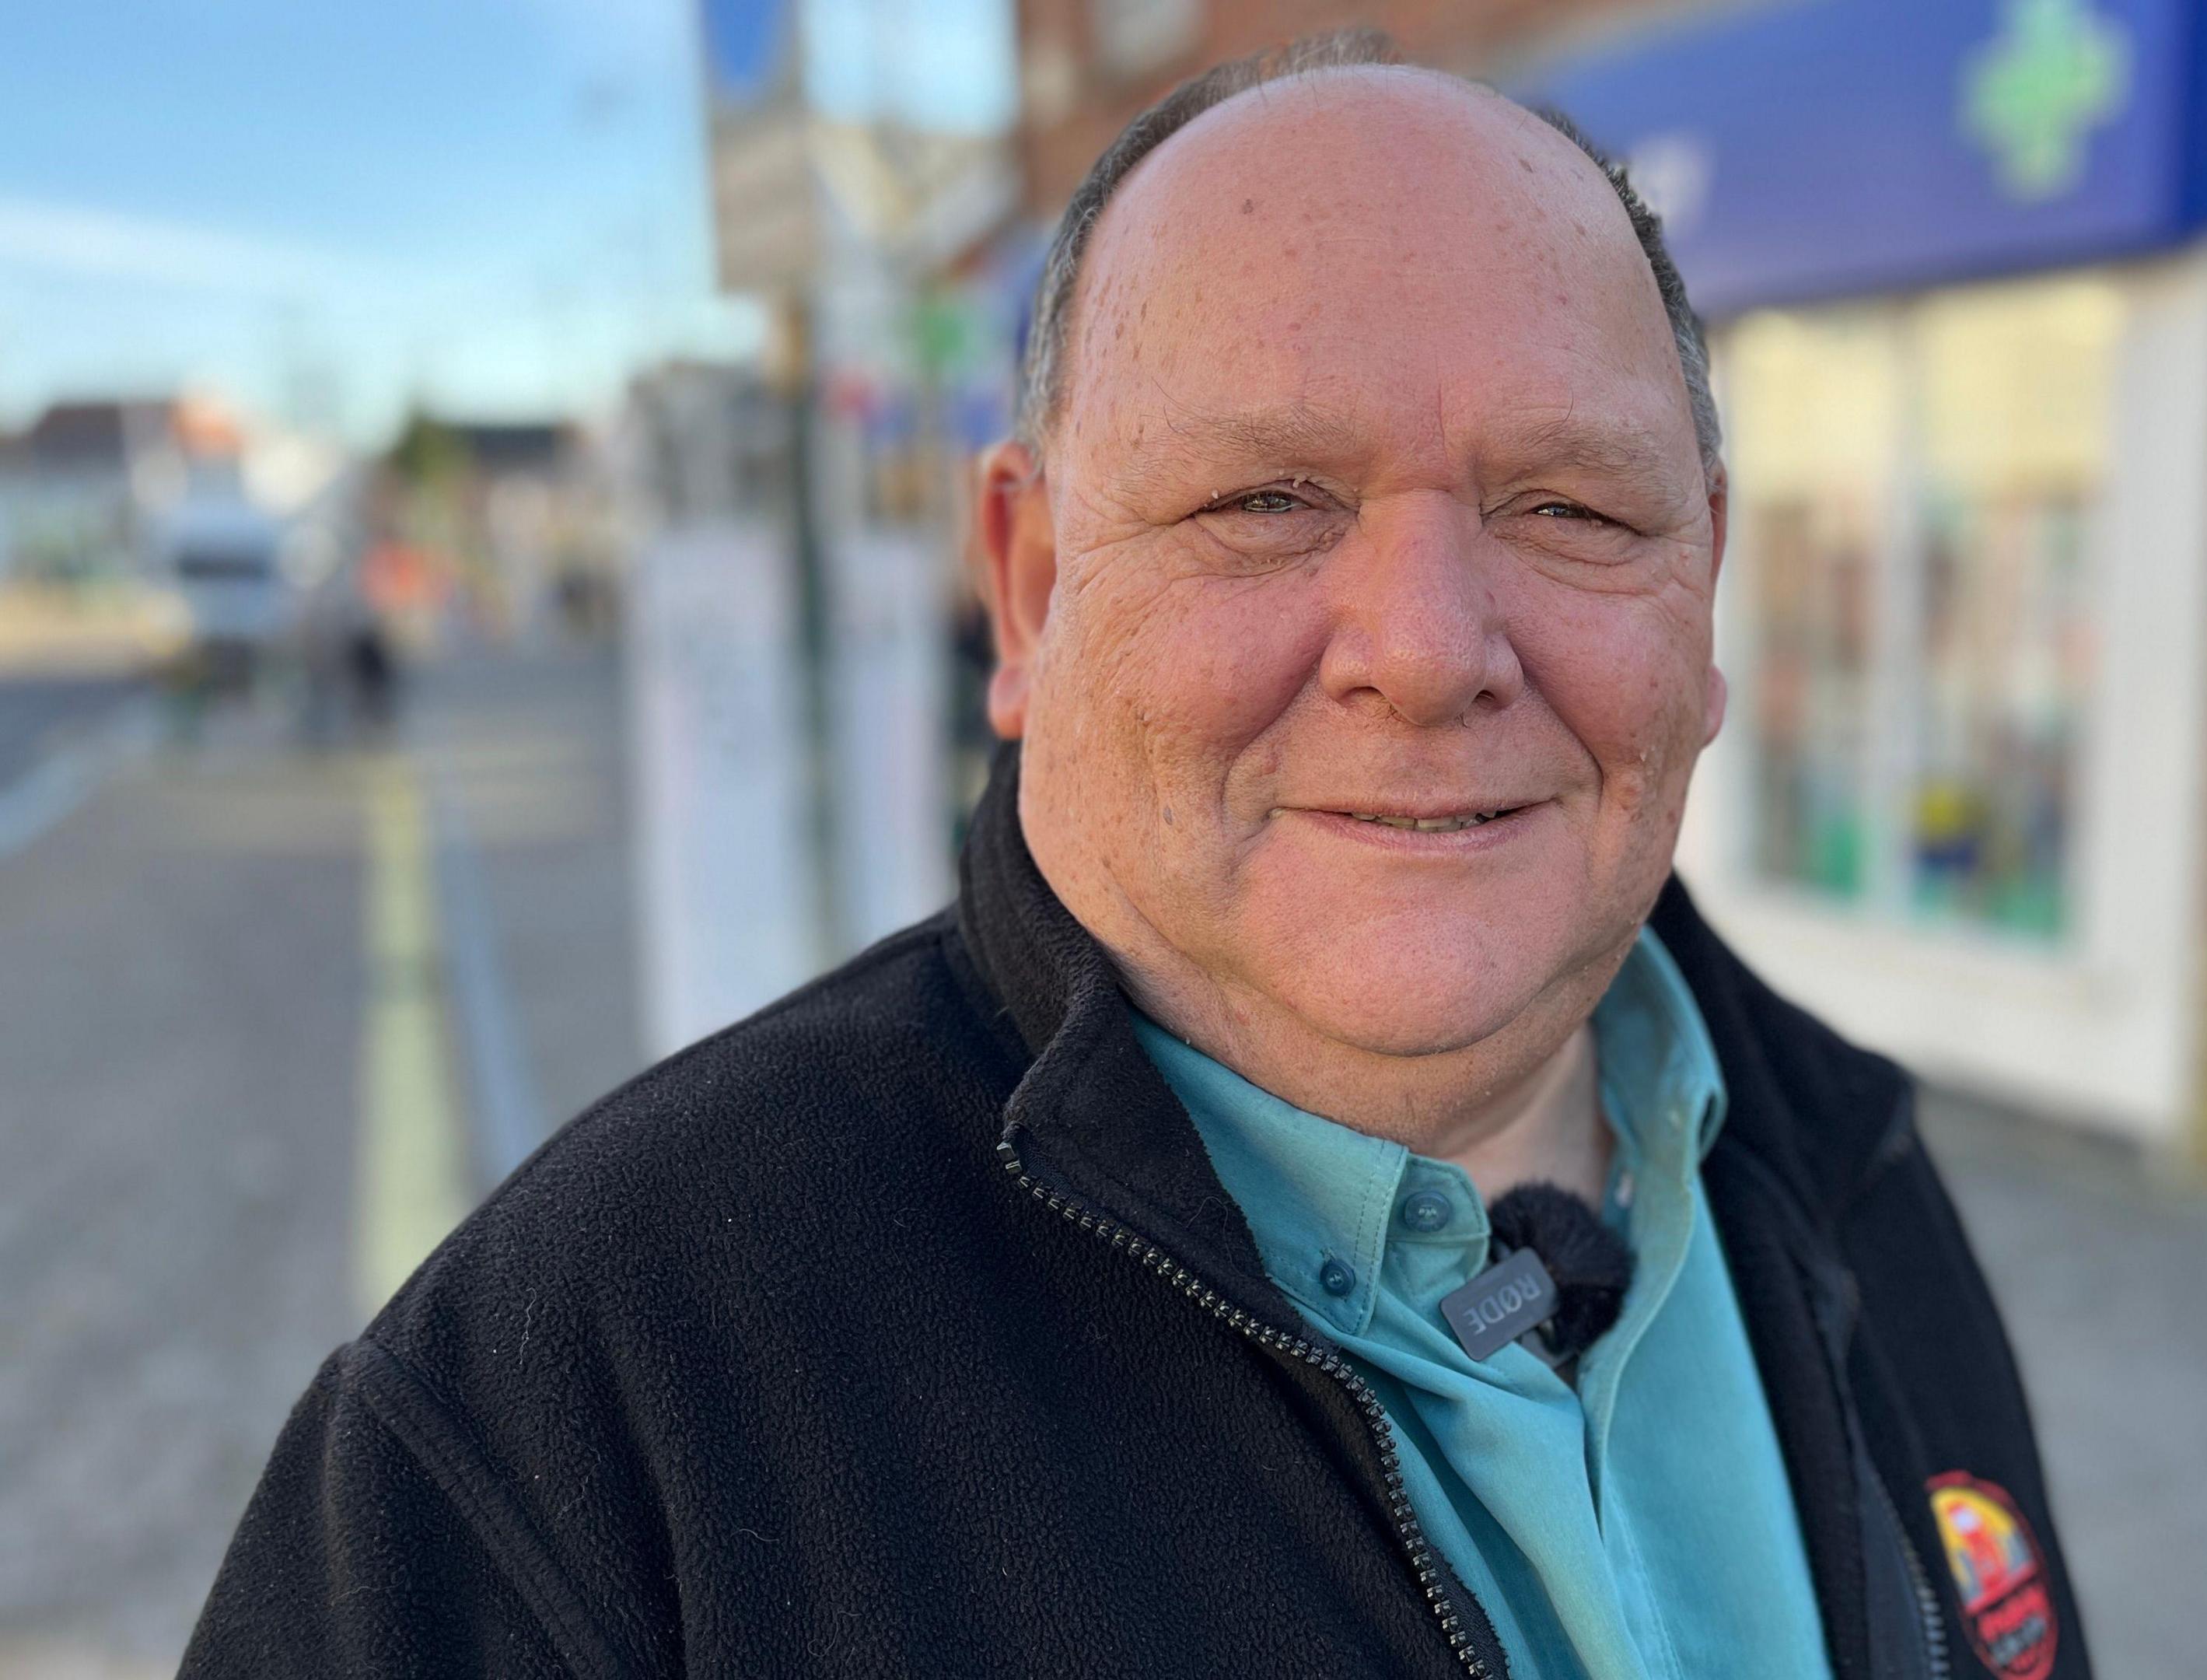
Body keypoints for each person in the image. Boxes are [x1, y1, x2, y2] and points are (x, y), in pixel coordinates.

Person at [182, 34, 2087, 1680]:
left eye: (1573, 507)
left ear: (1706, 584)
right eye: (1266, 500)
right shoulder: (579, 1420)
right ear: (1026, 590)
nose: (1426, 650)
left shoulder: (1845, 1165)